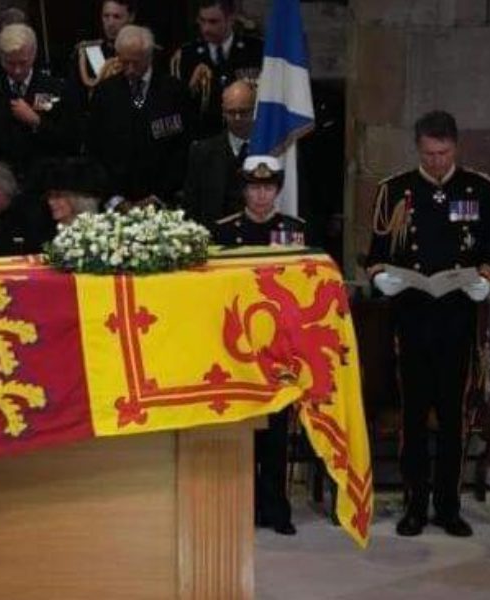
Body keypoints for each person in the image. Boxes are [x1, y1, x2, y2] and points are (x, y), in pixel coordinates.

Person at [365, 111, 490, 538]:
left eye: (444, 153)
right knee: (412, 415)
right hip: (411, 318)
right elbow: (373, 254)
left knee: (452, 416)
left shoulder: (479, 189)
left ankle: (448, 505)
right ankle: (414, 504)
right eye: (429, 154)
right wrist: (380, 277)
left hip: (457, 318)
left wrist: (485, 280)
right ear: (418, 148)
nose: (437, 162)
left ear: (456, 147)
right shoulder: (395, 190)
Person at [213, 155, 304, 536]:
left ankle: (276, 507)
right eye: (253, 187)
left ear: (278, 190)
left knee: (278, 431)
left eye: (268, 187)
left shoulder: (293, 229)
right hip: (237, 346)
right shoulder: (224, 231)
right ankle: (243, 506)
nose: (261, 194)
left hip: (277, 345)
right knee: (242, 430)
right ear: (244, 189)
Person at [88, 25, 195, 209]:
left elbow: (183, 149)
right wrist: (115, 199)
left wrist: (159, 196)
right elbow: (95, 149)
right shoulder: (104, 93)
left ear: (149, 56)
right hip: (115, 201)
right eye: (124, 62)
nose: (129, 69)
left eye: (135, 62)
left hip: (164, 200)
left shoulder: (174, 92)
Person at [0, 24, 72, 180]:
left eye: (23, 62)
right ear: (0, 57)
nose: (17, 70)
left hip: (41, 180)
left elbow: (68, 139)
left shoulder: (55, 89)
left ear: (34, 54)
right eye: (10, 63)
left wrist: (37, 122)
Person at [171, 0, 262, 138]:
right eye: (202, 21)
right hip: (204, 141)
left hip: (249, 136)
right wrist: (191, 87)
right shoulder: (187, 55)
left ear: (231, 19)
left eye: (213, 22)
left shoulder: (256, 50)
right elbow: (178, 108)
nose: (205, 28)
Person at [181, 80, 256, 229]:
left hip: (262, 242)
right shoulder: (202, 152)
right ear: (223, 111)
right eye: (231, 112)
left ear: (255, 110)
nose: (237, 118)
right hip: (215, 241)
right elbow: (191, 208)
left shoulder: (274, 151)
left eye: (243, 112)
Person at [65, 1, 136, 149]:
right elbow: (76, 103)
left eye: (117, 17)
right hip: (99, 136)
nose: (110, 23)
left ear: (131, 18)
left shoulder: (142, 54)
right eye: (106, 16)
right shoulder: (87, 54)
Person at [213, 155, 306, 247]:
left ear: (277, 192)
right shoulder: (225, 229)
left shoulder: (293, 227)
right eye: (254, 188)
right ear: (244, 191)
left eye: (268, 188)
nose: (262, 196)